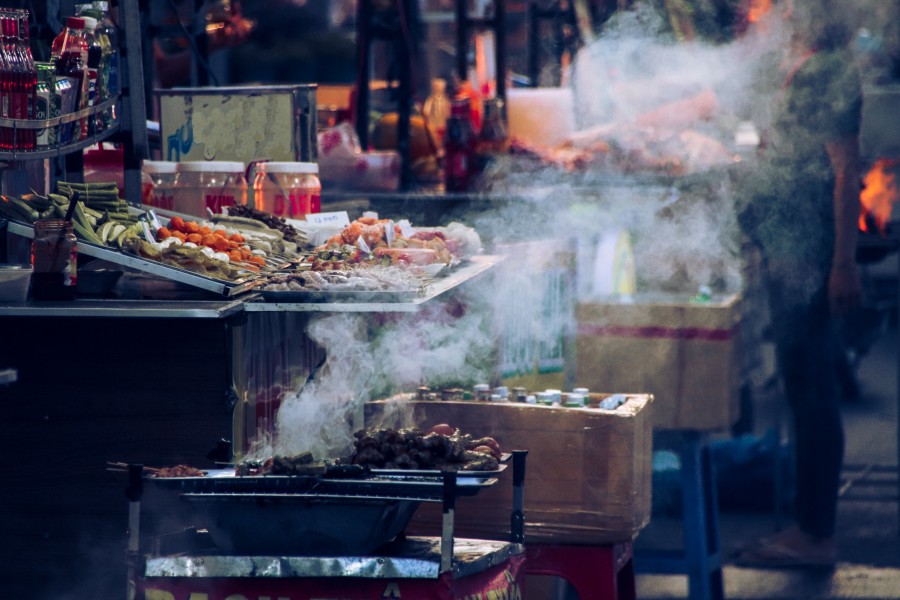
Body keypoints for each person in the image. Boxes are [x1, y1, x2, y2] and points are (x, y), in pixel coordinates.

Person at [733, 0, 862, 568]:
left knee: (811, 388)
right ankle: (807, 526)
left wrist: (843, 263)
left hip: (809, 256)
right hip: (790, 251)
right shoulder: (805, 66)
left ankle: (815, 534)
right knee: (802, 382)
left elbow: (845, 169)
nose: (776, 9)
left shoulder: (829, 71)